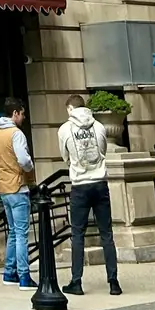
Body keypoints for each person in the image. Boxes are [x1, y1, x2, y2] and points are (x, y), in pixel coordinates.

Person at [58, 92, 121, 296]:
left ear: (70, 109)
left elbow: (65, 156)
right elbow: (102, 151)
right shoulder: (99, 126)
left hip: (80, 185)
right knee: (106, 234)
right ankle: (113, 282)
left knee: (77, 235)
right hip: (100, 183)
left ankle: (76, 281)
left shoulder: (65, 129)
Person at [0, 99, 35, 287]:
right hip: (18, 187)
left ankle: (9, 273)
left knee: (13, 232)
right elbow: (24, 160)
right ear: (15, 113)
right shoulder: (16, 134)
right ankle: (24, 277)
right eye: (22, 113)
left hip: (3, 188)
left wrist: (4, 165)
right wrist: (29, 167)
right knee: (22, 234)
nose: (23, 117)